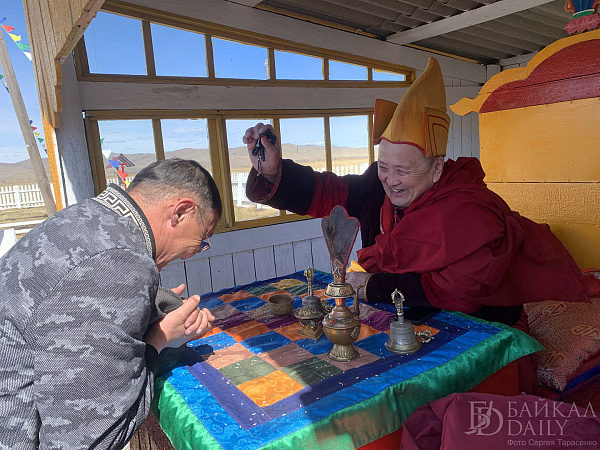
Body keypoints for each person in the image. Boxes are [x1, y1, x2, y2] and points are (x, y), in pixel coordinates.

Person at [242, 57, 595, 326]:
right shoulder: (377, 186)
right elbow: (328, 192)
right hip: (407, 319)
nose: (390, 180)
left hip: (480, 329)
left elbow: (460, 291)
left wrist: (371, 286)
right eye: (384, 167)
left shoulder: (469, 209)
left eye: (403, 170)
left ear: (437, 169)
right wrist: (273, 171)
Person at [0, 158, 220, 449]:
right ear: (181, 212)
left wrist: (148, 304)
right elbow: (93, 437)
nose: (192, 253)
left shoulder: (82, 217)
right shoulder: (122, 263)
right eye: (202, 239)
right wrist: (161, 337)